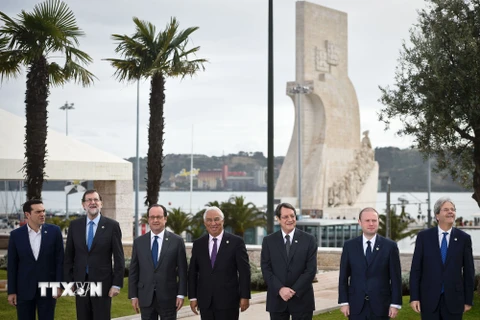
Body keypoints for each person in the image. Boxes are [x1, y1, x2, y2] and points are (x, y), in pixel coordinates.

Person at [410, 196, 475, 319]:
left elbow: (469, 271)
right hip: (428, 299)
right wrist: (414, 297)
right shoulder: (424, 237)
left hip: (455, 300)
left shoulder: (464, 238)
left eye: (453, 209)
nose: (450, 212)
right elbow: (416, 269)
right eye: (446, 209)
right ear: (437, 215)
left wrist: (468, 300)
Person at [64, 189, 125, 320]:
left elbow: (119, 257)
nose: (93, 203)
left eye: (96, 200)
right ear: (83, 205)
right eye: (89, 200)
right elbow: (69, 256)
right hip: (80, 282)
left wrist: (116, 284)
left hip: (103, 283)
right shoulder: (75, 225)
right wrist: (69, 281)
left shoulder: (112, 226)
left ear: (101, 204)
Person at [338, 207, 402, 319]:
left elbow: (396, 278)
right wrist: (344, 302)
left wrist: (395, 304)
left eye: (374, 220)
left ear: (378, 222)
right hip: (356, 306)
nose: (371, 223)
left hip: (382, 306)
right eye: (367, 221)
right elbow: (343, 277)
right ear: (360, 222)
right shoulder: (349, 246)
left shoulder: (390, 246)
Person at [188, 206, 251, 319]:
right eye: (209, 220)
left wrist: (245, 296)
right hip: (206, 303)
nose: (213, 223)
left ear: (223, 221)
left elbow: (244, 272)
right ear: (204, 223)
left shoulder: (236, 242)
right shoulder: (198, 244)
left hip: (228, 302)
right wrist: (193, 298)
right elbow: (192, 273)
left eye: (217, 219)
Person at [7, 199, 64, 320]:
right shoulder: (16, 235)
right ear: (27, 214)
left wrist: (59, 285)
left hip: (48, 289)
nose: (42, 214)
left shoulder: (55, 232)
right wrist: (11, 291)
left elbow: (60, 261)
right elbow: (12, 265)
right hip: (24, 289)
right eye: (38, 212)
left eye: (43, 211)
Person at [129, 204, 187, 320]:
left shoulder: (177, 242)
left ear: (165, 219)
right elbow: (134, 271)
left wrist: (181, 294)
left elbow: (182, 271)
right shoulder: (139, 242)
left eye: (159, 217)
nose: (155, 220)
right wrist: (133, 295)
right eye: (152, 217)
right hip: (145, 297)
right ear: (148, 219)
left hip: (169, 298)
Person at [261, 202, 318, 320]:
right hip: (277, 300)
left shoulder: (309, 240)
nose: (290, 219)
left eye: (292, 216)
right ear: (278, 219)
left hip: (302, 299)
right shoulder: (268, 241)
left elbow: (311, 270)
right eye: (285, 217)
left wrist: (293, 291)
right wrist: (280, 289)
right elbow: (266, 269)